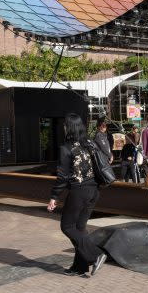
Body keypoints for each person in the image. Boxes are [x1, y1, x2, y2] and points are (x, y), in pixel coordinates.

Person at [47, 113, 107, 278]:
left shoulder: (66, 148)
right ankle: (79, 267)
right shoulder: (90, 143)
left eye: (66, 125)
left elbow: (63, 176)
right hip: (94, 191)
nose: (64, 127)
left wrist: (54, 197)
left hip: (79, 191)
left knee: (67, 227)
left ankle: (96, 255)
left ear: (69, 127)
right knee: (79, 229)